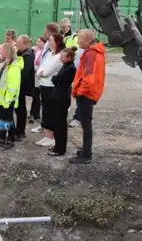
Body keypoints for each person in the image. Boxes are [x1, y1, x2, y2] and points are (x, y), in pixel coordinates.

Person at [71, 29, 106, 164]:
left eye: (79, 38)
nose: (78, 41)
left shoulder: (90, 54)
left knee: (86, 124)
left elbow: (89, 77)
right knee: (86, 123)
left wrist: (80, 92)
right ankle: (85, 150)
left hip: (86, 94)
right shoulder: (95, 52)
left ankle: (86, 154)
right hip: (90, 93)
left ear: (87, 39)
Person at [34, 33, 65, 147]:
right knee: (45, 111)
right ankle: (46, 135)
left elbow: (47, 72)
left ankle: (51, 137)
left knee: (50, 112)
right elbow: (41, 67)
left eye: (51, 41)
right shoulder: (50, 54)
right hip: (44, 85)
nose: (49, 43)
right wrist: (41, 72)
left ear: (57, 42)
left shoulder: (59, 57)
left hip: (51, 87)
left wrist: (41, 72)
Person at [0, 42, 21, 149]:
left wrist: (8, 100)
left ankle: (11, 139)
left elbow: (13, 86)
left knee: (8, 120)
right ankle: (2, 137)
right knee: (3, 119)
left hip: (7, 100)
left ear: (7, 52)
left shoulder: (14, 67)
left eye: (1, 50)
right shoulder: (3, 64)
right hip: (1, 98)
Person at [47, 48, 77, 156]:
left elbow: (56, 79)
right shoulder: (66, 66)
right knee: (57, 123)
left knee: (60, 124)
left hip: (62, 98)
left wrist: (55, 77)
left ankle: (60, 149)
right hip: (59, 95)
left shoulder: (70, 68)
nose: (60, 58)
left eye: (63, 57)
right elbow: (56, 79)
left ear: (69, 58)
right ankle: (57, 145)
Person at [14, 34, 35, 141]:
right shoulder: (20, 52)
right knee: (18, 109)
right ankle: (18, 130)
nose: (16, 43)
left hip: (21, 86)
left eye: (18, 42)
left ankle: (20, 131)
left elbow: (24, 73)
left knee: (21, 109)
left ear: (25, 43)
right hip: (17, 85)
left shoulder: (28, 55)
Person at [29, 35, 46, 123]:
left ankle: (36, 114)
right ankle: (33, 113)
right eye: (37, 41)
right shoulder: (35, 50)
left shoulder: (44, 52)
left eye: (40, 42)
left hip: (39, 75)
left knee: (38, 95)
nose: (37, 43)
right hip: (34, 75)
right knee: (35, 95)